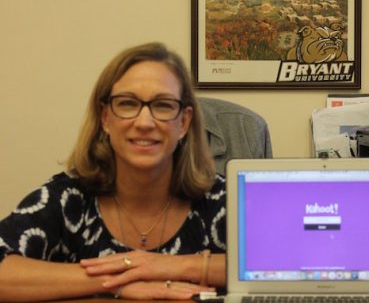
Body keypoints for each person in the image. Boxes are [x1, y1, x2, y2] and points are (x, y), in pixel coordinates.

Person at [0, 42, 226, 301]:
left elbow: (281, 269)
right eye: (127, 104)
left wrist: (173, 265)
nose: (144, 123)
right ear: (105, 117)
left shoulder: (220, 200)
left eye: (163, 105)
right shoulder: (68, 198)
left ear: (184, 122)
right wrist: (116, 279)